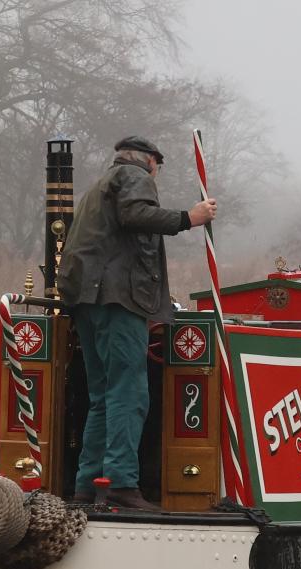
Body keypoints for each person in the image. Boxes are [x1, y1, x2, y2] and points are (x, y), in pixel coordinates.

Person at [59, 136, 218, 509]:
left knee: (102, 396)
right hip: (117, 299)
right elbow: (136, 215)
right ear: (150, 161)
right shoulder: (133, 176)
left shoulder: (99, 187)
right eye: (157, 167)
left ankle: (87, 485)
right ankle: (121, 483)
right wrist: (189, 218)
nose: (156, 174)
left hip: (86, 301)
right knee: (129, 393)